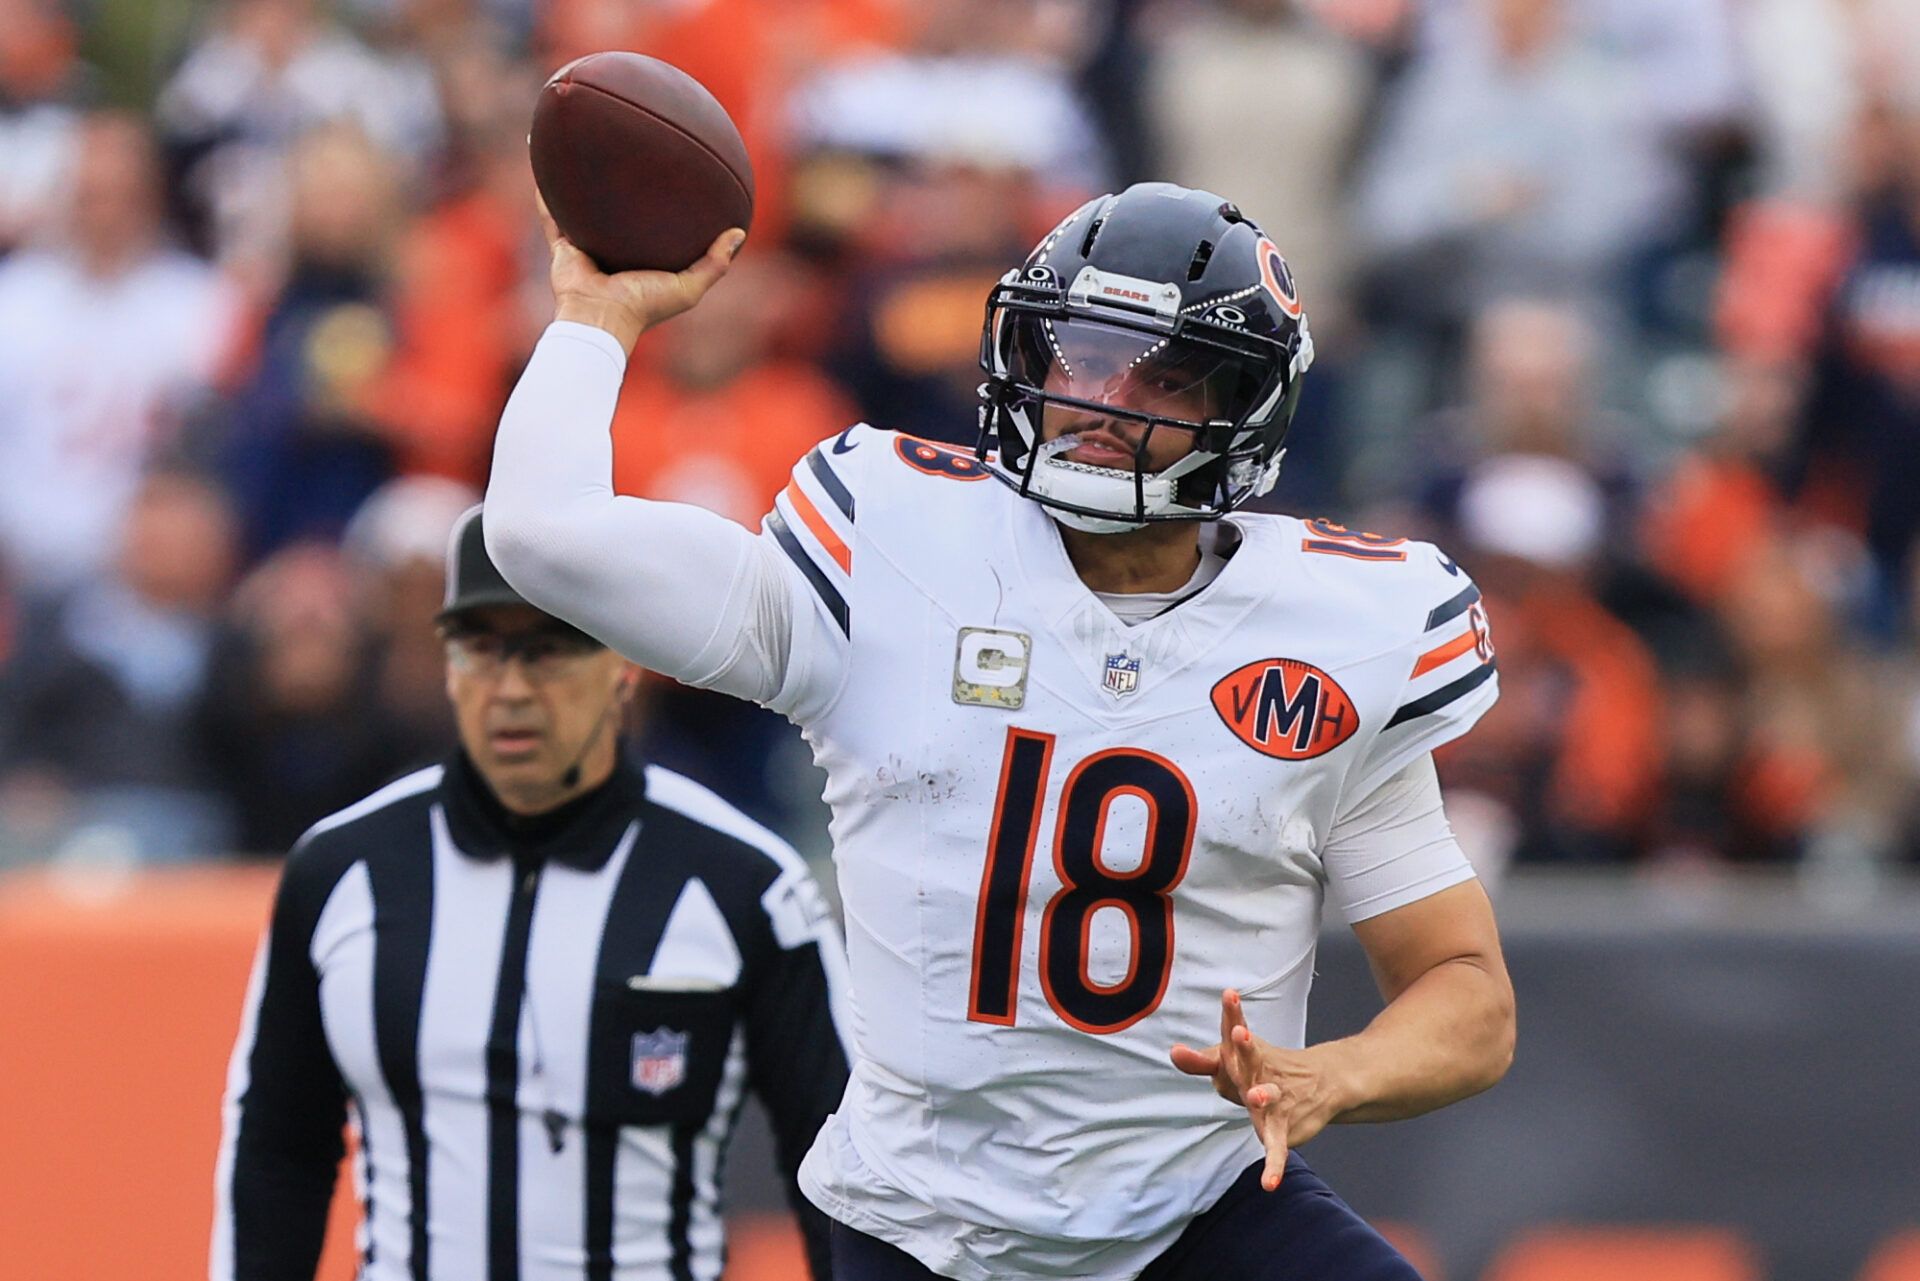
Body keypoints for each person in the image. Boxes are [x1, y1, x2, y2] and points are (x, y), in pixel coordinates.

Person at [485, 183, 1516, 1280]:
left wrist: (1333, 1077)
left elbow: (1466, 992)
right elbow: (543, 536)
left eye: (1162, 372)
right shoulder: (891, 543)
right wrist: (594, 321)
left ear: (1246, 405)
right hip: (927, 1225)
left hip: (1200, 1207)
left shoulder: (1338, 632)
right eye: (1076, 353)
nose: (1103, 397)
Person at [212, 505, 851, 1281]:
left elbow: (838, 1176)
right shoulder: (342, 869)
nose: (510, 688)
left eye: (548, 650)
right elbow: (278, 1150)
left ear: (624, 663)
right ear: (446, 662)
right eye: (482, 648)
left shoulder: (747, 882)